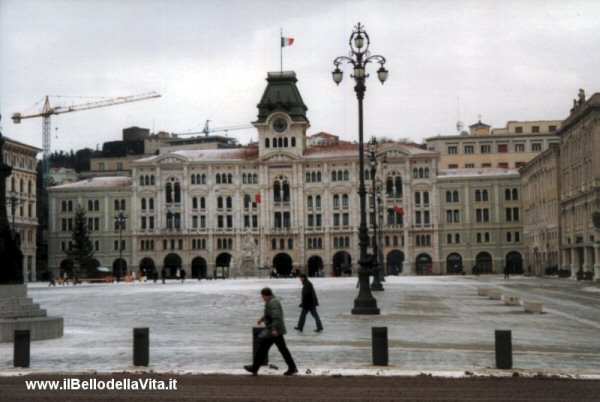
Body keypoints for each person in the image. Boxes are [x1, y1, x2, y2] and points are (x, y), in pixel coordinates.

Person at [244, 287, 298, 376]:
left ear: (266, 295)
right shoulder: (271, 302)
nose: (262, 298)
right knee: (277, 349)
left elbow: (276, 317)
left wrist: (274, 329)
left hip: (274, 331)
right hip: (273, 330)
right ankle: (292, 367)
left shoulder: (273, 303)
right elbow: (269, 315)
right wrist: (262, 319)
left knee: (266, 349)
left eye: (263, 296)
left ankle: (255, 368)